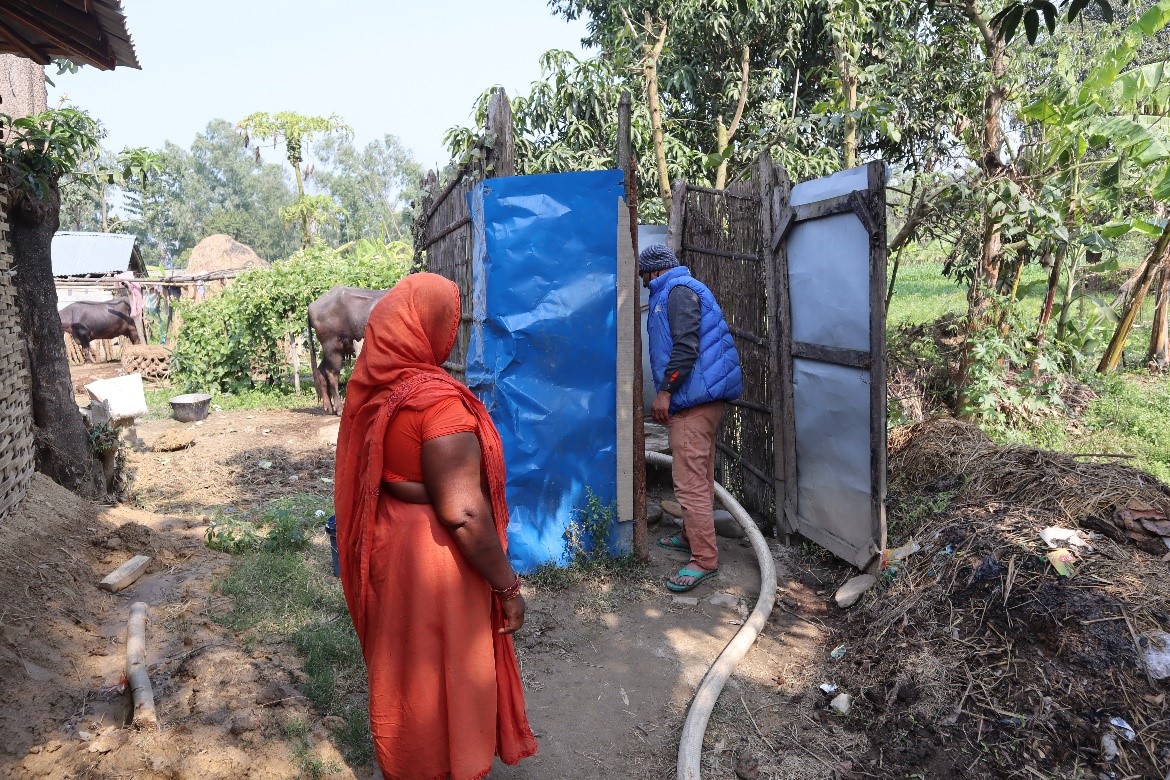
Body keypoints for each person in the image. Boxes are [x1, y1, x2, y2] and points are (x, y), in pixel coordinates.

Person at [334, 273, 538, 780]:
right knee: (449, 669)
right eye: (449, 316)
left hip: (393, 551)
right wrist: (507, 585)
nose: (453, 327)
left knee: (407, 671)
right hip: (437, 562)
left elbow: (383, 473)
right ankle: (453, 766)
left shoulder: (383, 390)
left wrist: (410, 486)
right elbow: (464, 513)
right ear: (428, 326)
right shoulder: (439, 404)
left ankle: (408, 765)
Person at [640, 244, 743, 593]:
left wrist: (666, 391)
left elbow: (686, 347)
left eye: (643, 276)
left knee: (690, 483)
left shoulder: (677, 292)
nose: (642, 283)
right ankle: (690, 536)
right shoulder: (682, 289)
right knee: (699, 474)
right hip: (704, 400)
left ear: (655, 271)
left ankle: (703, 560)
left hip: (692, 403)